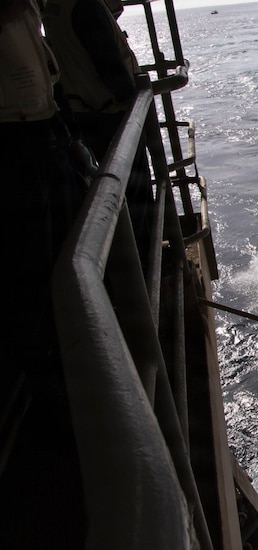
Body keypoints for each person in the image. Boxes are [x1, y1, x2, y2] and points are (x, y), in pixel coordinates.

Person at [0, 1, 87, 546]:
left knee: (59, 250)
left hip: (43, 134)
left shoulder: (27, 16)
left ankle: (56, 355)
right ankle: (48, 381)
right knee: (33, 269)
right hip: (17, 148)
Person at [43, 0, 154, 271]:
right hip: (110, 114)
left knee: (113, 194)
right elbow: (108, 63)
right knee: (135, 195)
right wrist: (135, 104)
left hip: (84, 111)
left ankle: (132, 264)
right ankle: (144, 266)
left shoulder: (54, 9)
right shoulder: (84, 6)